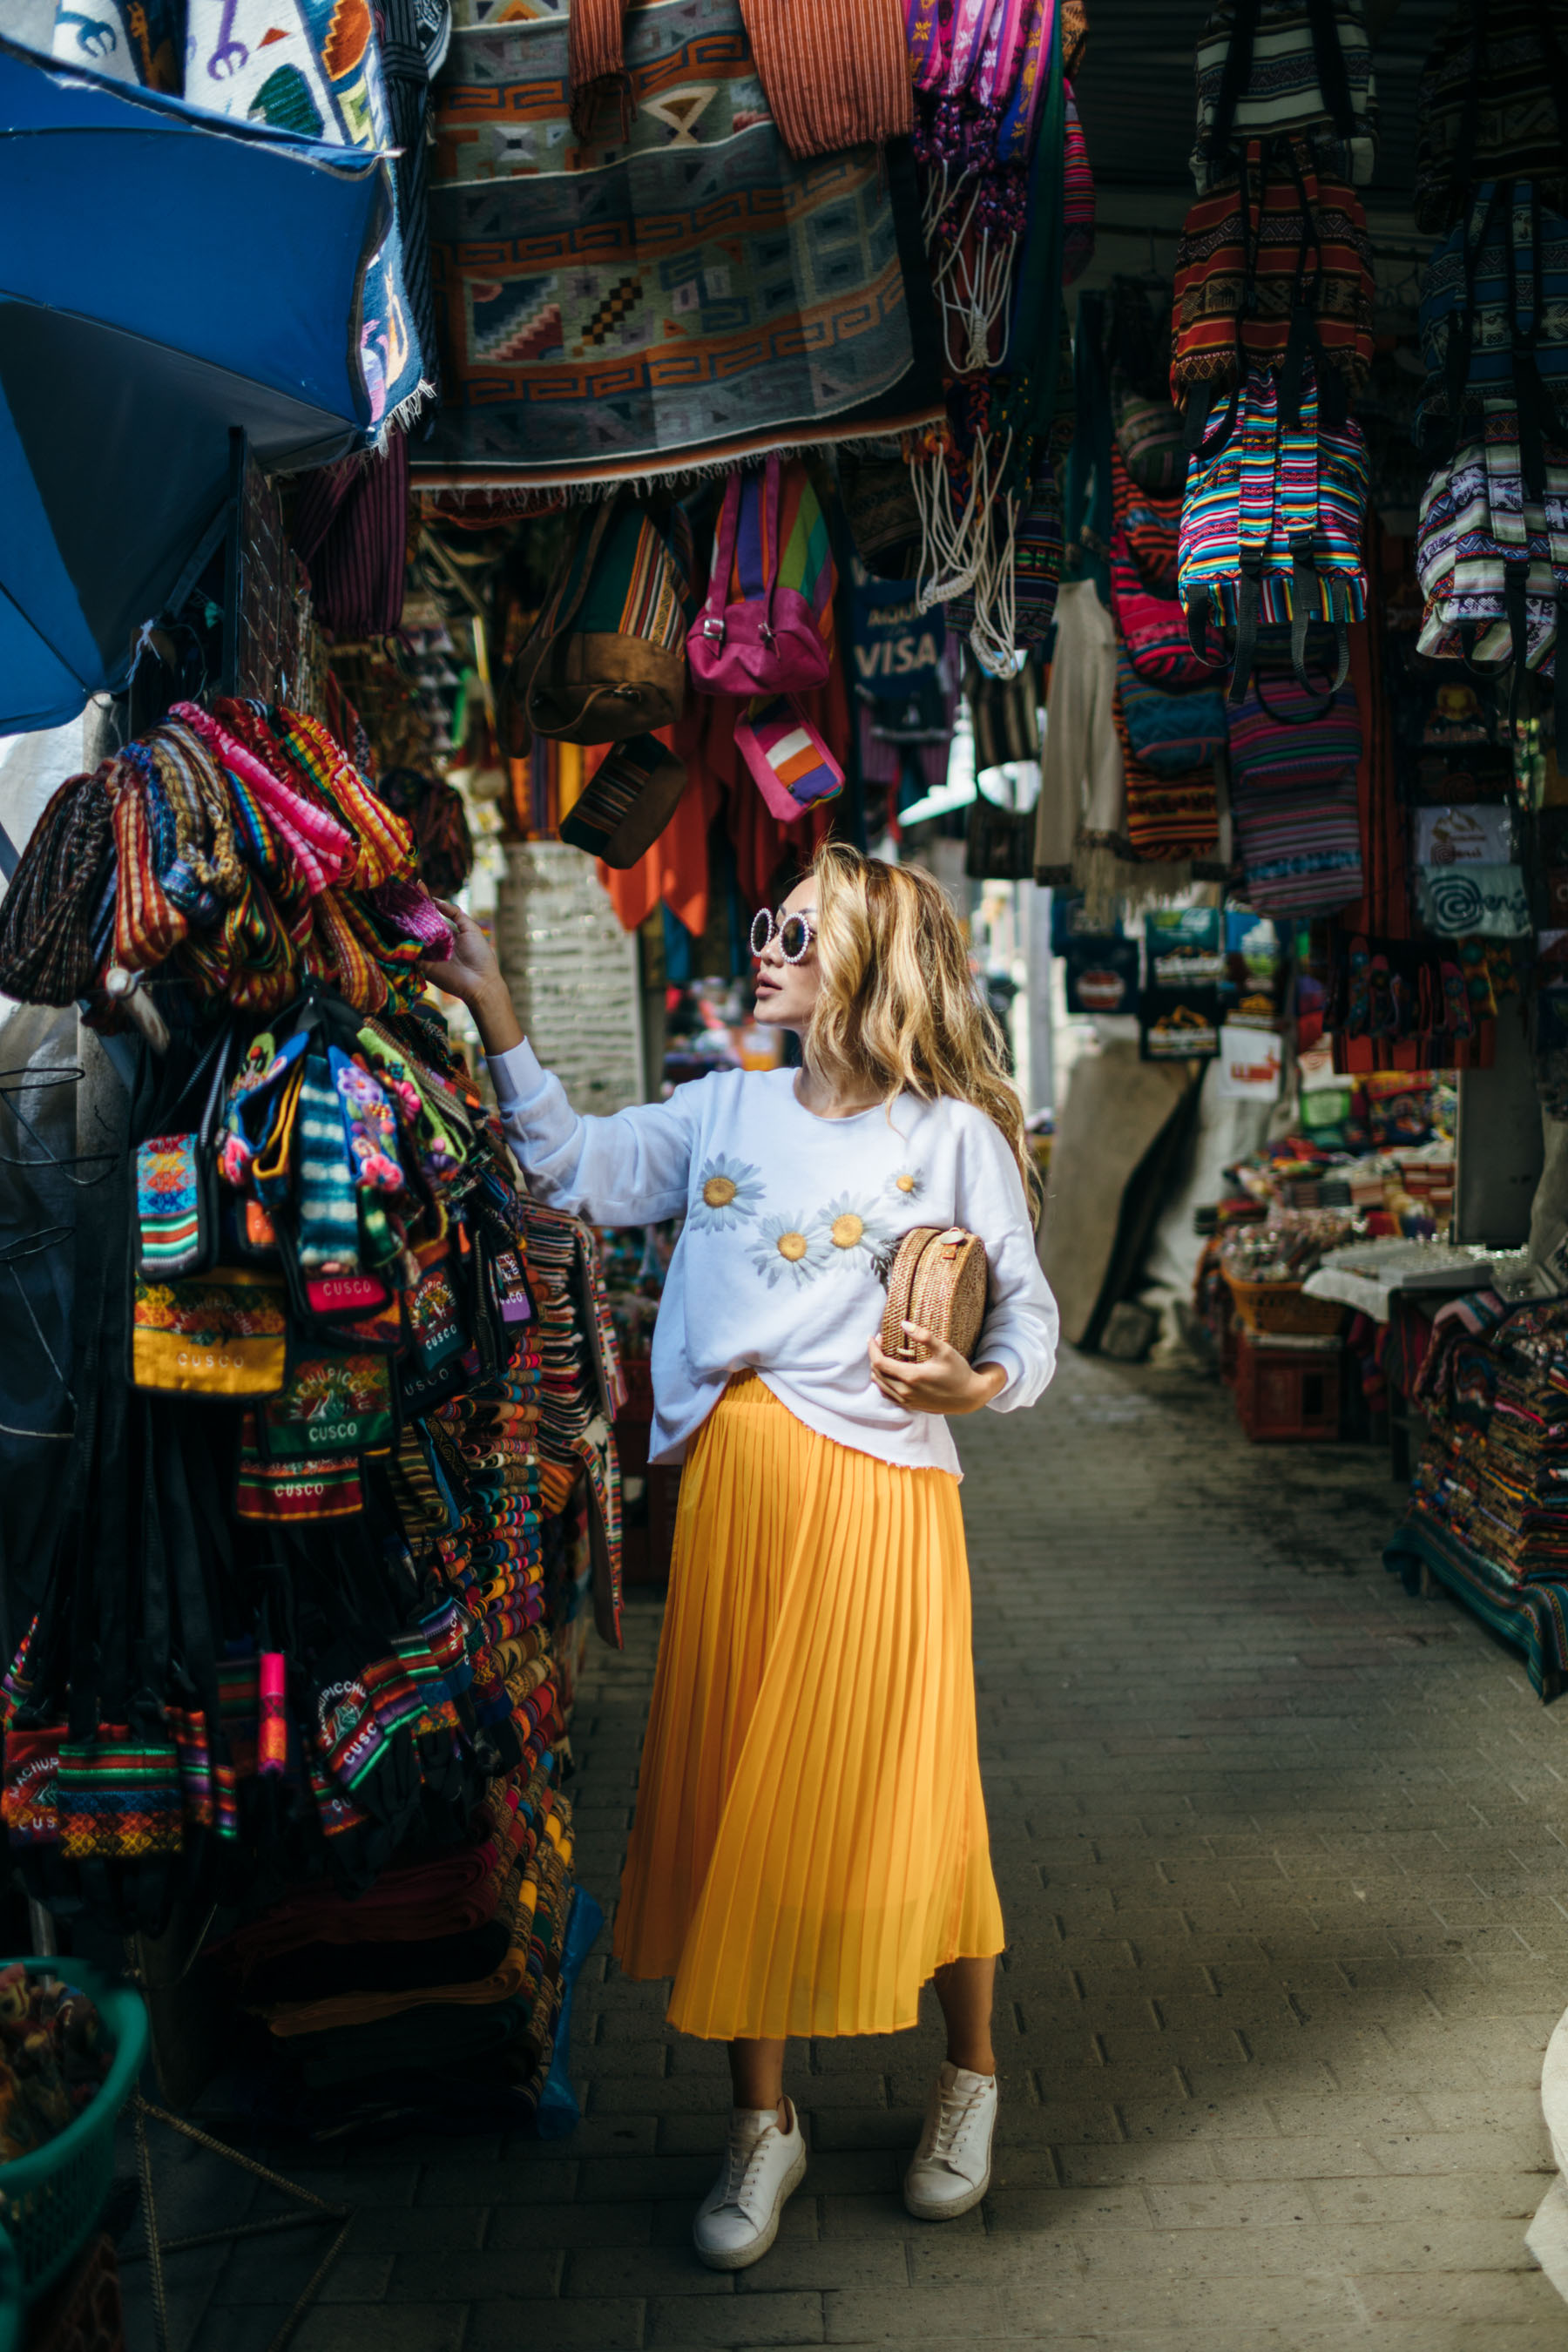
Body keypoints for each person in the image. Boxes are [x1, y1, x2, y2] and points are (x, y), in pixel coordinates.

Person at [422, 841, 1058, 2269]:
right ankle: (761, 2126)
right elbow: (570, 1164)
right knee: (736, 1807)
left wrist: (979, 1387)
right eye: (768, 920)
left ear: (866, 966)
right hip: (732, 1504)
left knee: (916, 1790)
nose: (764, 942)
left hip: (889, 1499)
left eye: (796, 929)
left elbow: (1032, 1325)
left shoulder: (950, 1131)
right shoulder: (722, 1111)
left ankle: (972, 2081)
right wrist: (494, 1004)